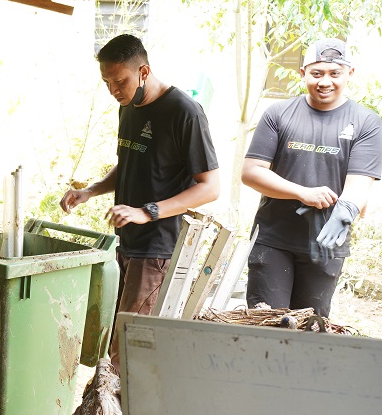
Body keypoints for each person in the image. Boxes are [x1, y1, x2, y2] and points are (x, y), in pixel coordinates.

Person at [60, 34, 220, 362]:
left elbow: (210, 187)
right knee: (118, 342)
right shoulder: (129, 107)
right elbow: (132, 161)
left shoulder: (184, 112)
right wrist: (90, 191)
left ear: (143, 71)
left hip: (157, 247)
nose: (114, 91)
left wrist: (147, 212)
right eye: (107, 82)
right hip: (128, 243)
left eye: (120, 81)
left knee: (127, 353)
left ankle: (121, 413)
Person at [241, 38, 382, 316]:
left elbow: (359, 184)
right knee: (266, 322)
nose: (325, 81)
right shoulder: (278, 114)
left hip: (327, 244)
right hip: (273, 240)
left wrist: (347, 209)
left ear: (349, 74)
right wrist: (302, 192)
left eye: (334, 73)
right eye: (317, 73)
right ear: (303, 73)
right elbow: (251, 173)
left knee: (310, 329)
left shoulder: (366, 122)